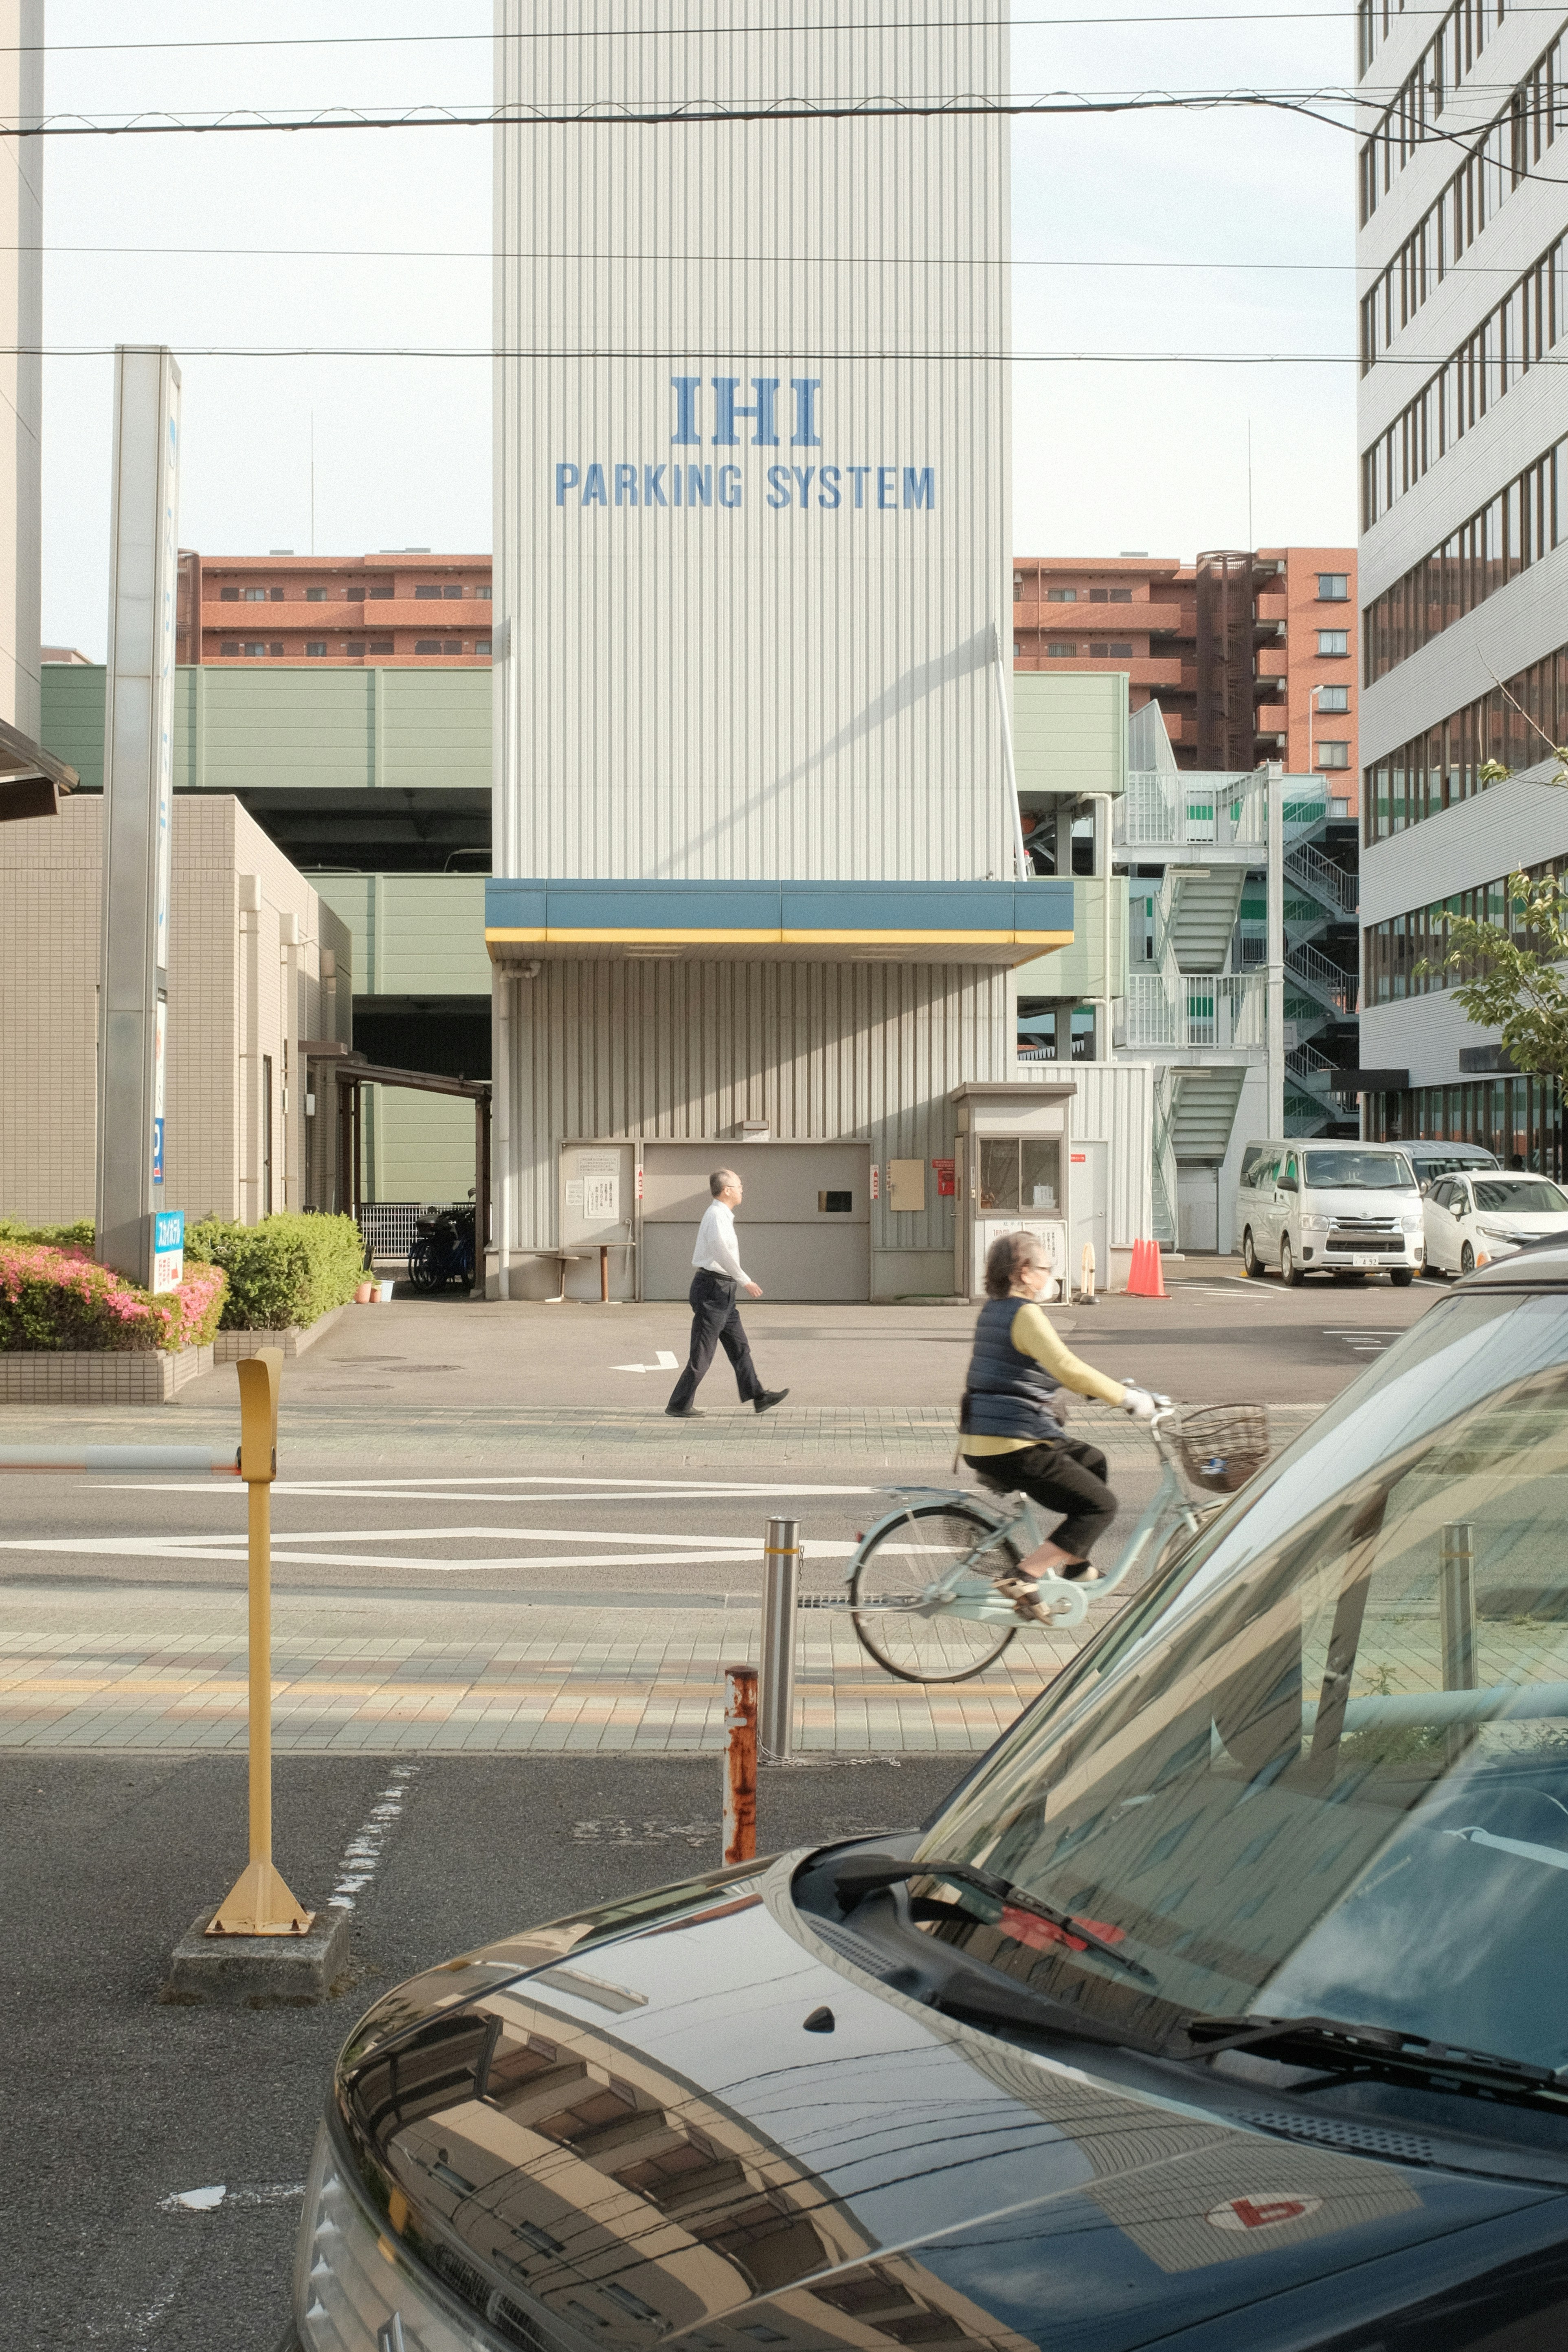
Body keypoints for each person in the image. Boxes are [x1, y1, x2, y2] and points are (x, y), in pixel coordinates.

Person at [960, 1228, 1157, 1620]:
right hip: (1014, 1443)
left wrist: (1093, 1390)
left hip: (989, 1437)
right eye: (1047, 1268)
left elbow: (1024, 1369)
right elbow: (1067, 1367)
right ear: (1025, 1271)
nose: (1052, 1277)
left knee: (1092, 1460)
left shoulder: (993, 1310)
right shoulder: (1025, 1314)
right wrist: (1126, 1397)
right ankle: (1025, 1574)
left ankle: (1076, 1566)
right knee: (1101, 1507)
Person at [665, 1168, 789, 1419]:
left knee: (740, 1347)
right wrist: (746, 1280)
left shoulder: (723, 1215)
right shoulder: (715, 1216)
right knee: (703, 1353)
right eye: (739, 1185)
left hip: (723, 1291)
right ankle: (679, 1404)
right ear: (727, 1190)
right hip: (713, 1290)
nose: (743, 1189)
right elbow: (721, 1252)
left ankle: (758, 1397)